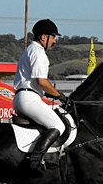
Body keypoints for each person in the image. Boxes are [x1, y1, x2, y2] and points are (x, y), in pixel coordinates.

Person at [13, 19, 67, 172]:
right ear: (44, 37)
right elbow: (42, 82)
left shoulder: (30, 50)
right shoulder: (38, 53)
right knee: (58, 126)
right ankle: (36, 159)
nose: (55, 41)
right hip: (28, 98)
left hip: (21, 97)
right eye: (53, 37)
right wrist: (60, 96)